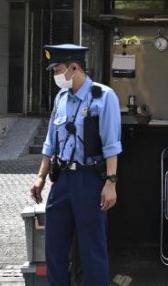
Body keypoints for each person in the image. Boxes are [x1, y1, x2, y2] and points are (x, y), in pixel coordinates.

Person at [30, 43, 123, 286]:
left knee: (92, 250)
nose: (55, 76)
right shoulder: (61, 98)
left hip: (90, 180)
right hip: (63, 181)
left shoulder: (103, 97)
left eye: (57, 69)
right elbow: (51, 142)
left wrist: (110, 183)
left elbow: (112, 145)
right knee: (54, 249)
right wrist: (41, 177)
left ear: (74, 67)